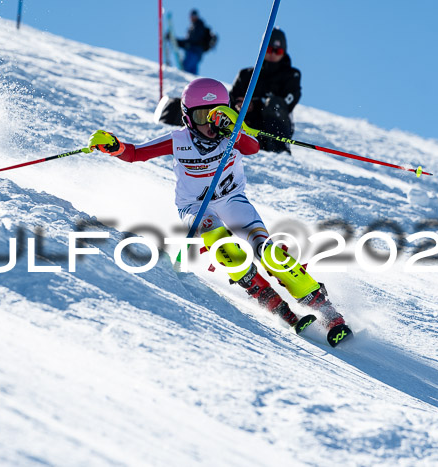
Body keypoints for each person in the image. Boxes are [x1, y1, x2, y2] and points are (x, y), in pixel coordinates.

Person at [87, 78, 350, 345]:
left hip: (232, 199)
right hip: (195, 206)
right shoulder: (179, 139)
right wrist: (115, 147)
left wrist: (234, 129)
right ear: (188, 117)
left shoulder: (232, 133)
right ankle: (269, 300)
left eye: (217, 115)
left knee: (269, 252)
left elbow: (252, 147)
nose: (210, 125)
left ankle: (325, 310)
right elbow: (136, 154)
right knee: (222, 245)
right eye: (202, 116)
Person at [229, 28, 301, 153]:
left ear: (284, 53)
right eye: (268, 49)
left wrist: (254, 104)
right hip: (247, 125)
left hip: (274, 128)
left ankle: (278, 149)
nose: (272, 54)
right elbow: (232, 97)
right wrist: (239, 104)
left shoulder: (291, 75)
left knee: (274, 104)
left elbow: (288, 102)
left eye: (277, 51)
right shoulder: (246, 75)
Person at [176, 9, 209, 75]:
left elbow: (191, 41)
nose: (192, 17)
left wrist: (177, 42)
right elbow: (189, 42)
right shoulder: (194, 26)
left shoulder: (198, 26)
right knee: (192, 73)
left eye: (194, 15)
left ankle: (187, 82)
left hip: (193, 52)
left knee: (186, 70)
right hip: (196, 53)